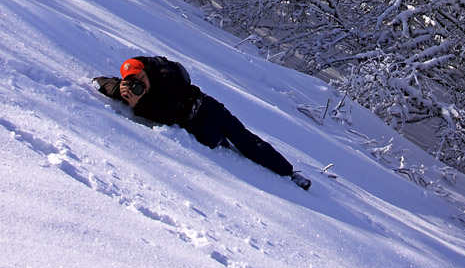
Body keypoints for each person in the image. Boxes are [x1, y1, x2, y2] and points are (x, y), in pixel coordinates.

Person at [94, 55, 311, 190]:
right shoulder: (133, 87)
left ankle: (289, 172)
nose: (140, 84)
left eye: (141, 78)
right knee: (218, 143)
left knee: (246, 140)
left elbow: (167, 115)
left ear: (145, 71)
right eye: (133, 83)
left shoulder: (165, 76)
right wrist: (111, 88)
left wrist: (138, 105)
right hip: (196, 125)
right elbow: (111, 85)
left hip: (208, 107)